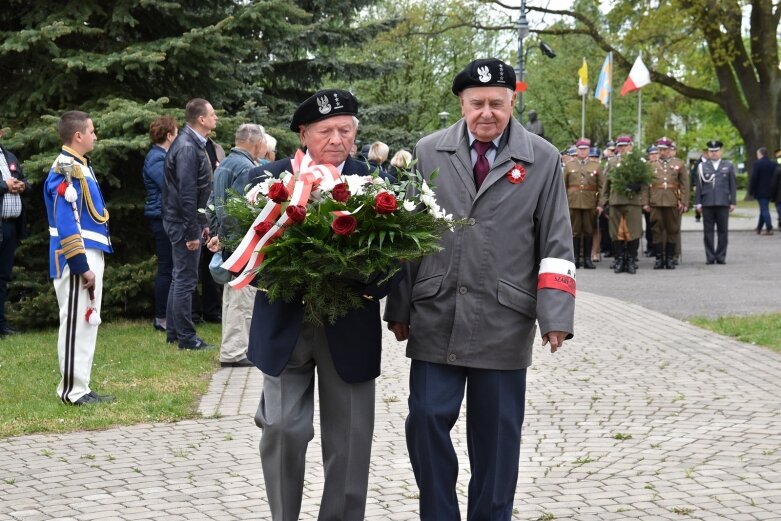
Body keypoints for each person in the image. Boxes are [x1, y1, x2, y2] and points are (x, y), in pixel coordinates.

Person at [385, 58, 575, 521]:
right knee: (426, 420)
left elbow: (556, 241)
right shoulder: (428, 152)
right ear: (461, 104)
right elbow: (411, 234)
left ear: (513, 101)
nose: (486, 112)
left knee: (496, 438)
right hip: (436, 312)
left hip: (503, 318)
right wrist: (400, 304)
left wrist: (555, 317)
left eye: (496, 102)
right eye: (477, 103)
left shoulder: (544, 159)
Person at [247, 89, 391, 521]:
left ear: (356, 133)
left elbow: (396, 263)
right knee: (282, 428)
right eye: (325, 130)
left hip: (349, 324)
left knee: (349, 442)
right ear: (303, 133)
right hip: (285, 322)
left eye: (345, 130)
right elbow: (246, 248)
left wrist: (354, 269)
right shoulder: (270, 179)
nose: (336, 139)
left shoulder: (378, 183)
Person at [44, 111, 113, 404]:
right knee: (75, 322)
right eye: (92, 131)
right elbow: (66, 221)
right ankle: (72, 391)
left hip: (90, 252)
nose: (95, 136)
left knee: (86, 324)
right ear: (78, 136)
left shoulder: (80, 166)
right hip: (75, 257)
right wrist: (81, 265)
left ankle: (81, 386)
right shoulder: (66, 168)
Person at [206, 123, 266, 368]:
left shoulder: (226, 164)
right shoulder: (244, 167)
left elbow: (213, 202)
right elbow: (240, 211)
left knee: (232, 297)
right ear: (254, 141)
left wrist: (218, 234)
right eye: (262, 142)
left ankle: (231, 348)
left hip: (230, 240)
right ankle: (235, 352)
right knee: (242, 298)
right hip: (242, 242)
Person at [163, 98, 217, 349]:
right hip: (182, 221)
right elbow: (187, 192)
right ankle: (186, 337)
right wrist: (192, 230)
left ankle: (174, 332)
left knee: (179, 277)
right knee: (185, 279)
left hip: (184, 219)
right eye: (212, 114)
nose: (216, 118)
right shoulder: (187, 146)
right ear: (201, 119)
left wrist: (202, 220)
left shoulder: (192, 143)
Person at [142, 116, 179, 332]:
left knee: (171, 267)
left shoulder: (162, 156)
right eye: (176, 132)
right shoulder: (156, 158)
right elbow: (169, 185)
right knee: (166, 268)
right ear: (168, 135)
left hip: (165, 216)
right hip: (162, 217)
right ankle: (161, 317)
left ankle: (168, 315)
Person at [598, 135, 647, 274]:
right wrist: (604, 203)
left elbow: (645, 184)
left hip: (633, 201)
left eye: (625, 145)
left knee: (634, 232)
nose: (623, 148)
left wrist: (643, 200)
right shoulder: (612, 162)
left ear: (631, 146)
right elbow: (606, 185)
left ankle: (631, 259)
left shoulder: (638, 161)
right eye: (620, 145)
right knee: (615, 233)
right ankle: (619, 259)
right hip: (616, 201)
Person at [0, 119, 29, 337]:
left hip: (10, 227)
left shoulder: (9, 157)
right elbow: (5, 184)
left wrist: (21, 185)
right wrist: (5, 186)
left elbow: (23, 180)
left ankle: (1, 325)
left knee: (3, 277)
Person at [644, 137, 688, 269]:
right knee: (656, 229)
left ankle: (669, 257)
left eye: (664, 149)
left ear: (670, 150)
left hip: (672, 201)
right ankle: (659, 258)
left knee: (672, 229)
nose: (662, 152)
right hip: (656, 201)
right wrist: (645, 202)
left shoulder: (679, 164)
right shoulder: (650, 165)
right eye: (660, 149)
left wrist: (683, 202)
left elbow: (684, 185)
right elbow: (645, 186)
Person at [695, 140, 736, 264]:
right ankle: (710, 257)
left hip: (723, 203)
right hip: (707, 203)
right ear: (708, 152)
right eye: (711, 151)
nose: (713, 153)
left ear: (720, 151)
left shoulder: (728, 165)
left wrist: (733, 201)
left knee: (723, 231)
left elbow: (732, 185)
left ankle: (721, 256)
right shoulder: (702, 166)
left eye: (716, 151)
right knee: (708, 232)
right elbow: (699, 186)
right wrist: (698, 202)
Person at [564, 138, 603, 269]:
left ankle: (587, 259)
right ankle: (574, 258)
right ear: (577, 150)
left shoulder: (596, 166)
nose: (582, 151)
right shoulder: (569, 165)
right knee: (574, 231)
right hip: (573, 202)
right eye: (580, 149)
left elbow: (601, 187)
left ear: (588, 150)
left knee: (588, 231)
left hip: (589, 203)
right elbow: (563, 186)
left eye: (585, 149)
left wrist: (600, 204)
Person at [748, 147, 776, 235]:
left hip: (761, 190)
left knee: (764, 209)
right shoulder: (773, 164)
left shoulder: (757, 164)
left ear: (760, 154)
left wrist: (751, 190)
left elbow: (754, 178)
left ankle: (769, 228)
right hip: (771, 190)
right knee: (763, 209)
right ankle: (759, 228)